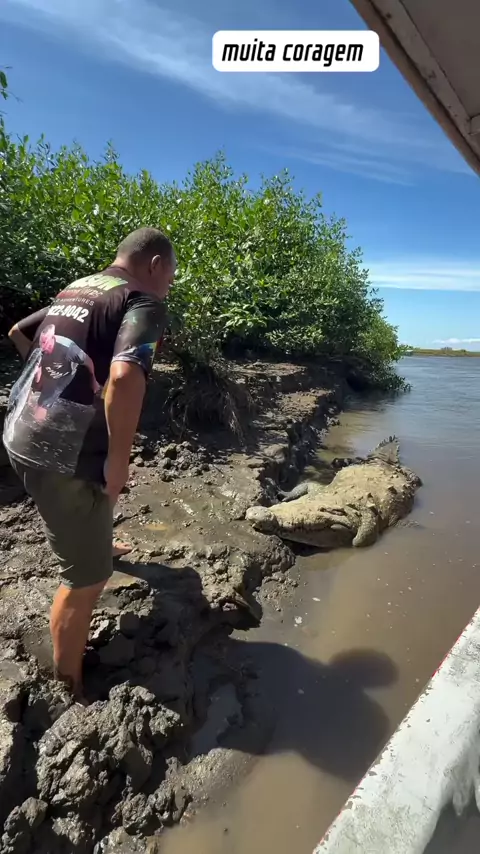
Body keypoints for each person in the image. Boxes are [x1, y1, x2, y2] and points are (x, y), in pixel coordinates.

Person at [4, 227, 176, 701]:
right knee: (87, 580)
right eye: (170, 276)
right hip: (60, 456)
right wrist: (119, 460)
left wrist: (52, 387)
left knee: (89, 505)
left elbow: (20, 332)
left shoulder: (81, 288)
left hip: (19, 429)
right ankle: (68, 682)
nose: (169, 286)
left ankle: (97, 539)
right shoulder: (142, 301)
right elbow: (124, 376)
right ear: (156, 265)